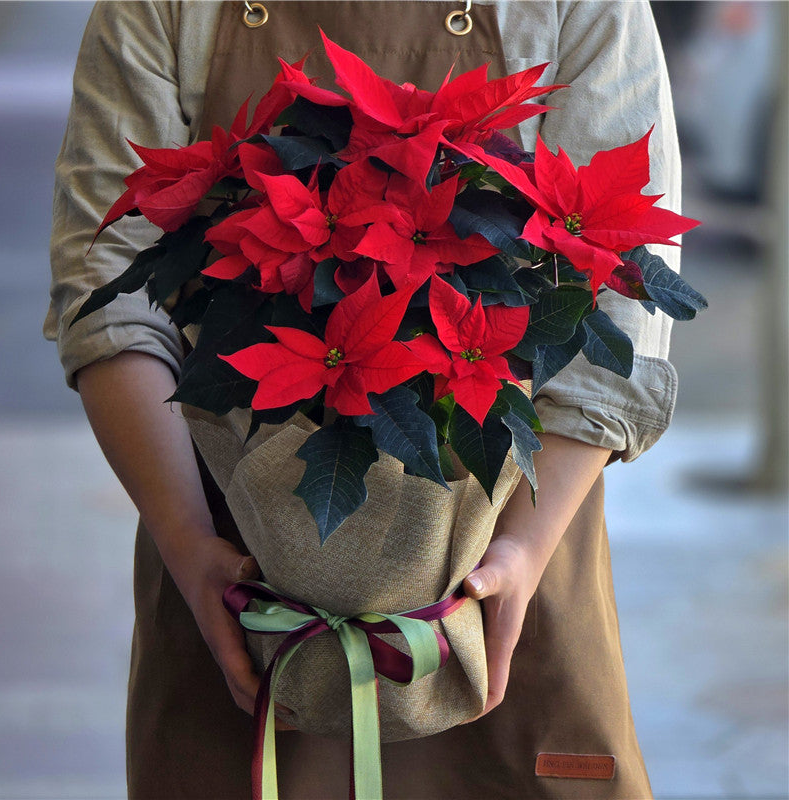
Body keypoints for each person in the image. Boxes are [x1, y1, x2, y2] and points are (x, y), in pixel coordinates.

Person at [46, 2, 682, 797]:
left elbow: (621, 300)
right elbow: (109, 287)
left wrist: (520, 552)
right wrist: (185, 541)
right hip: (228, 571)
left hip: (510, 546)